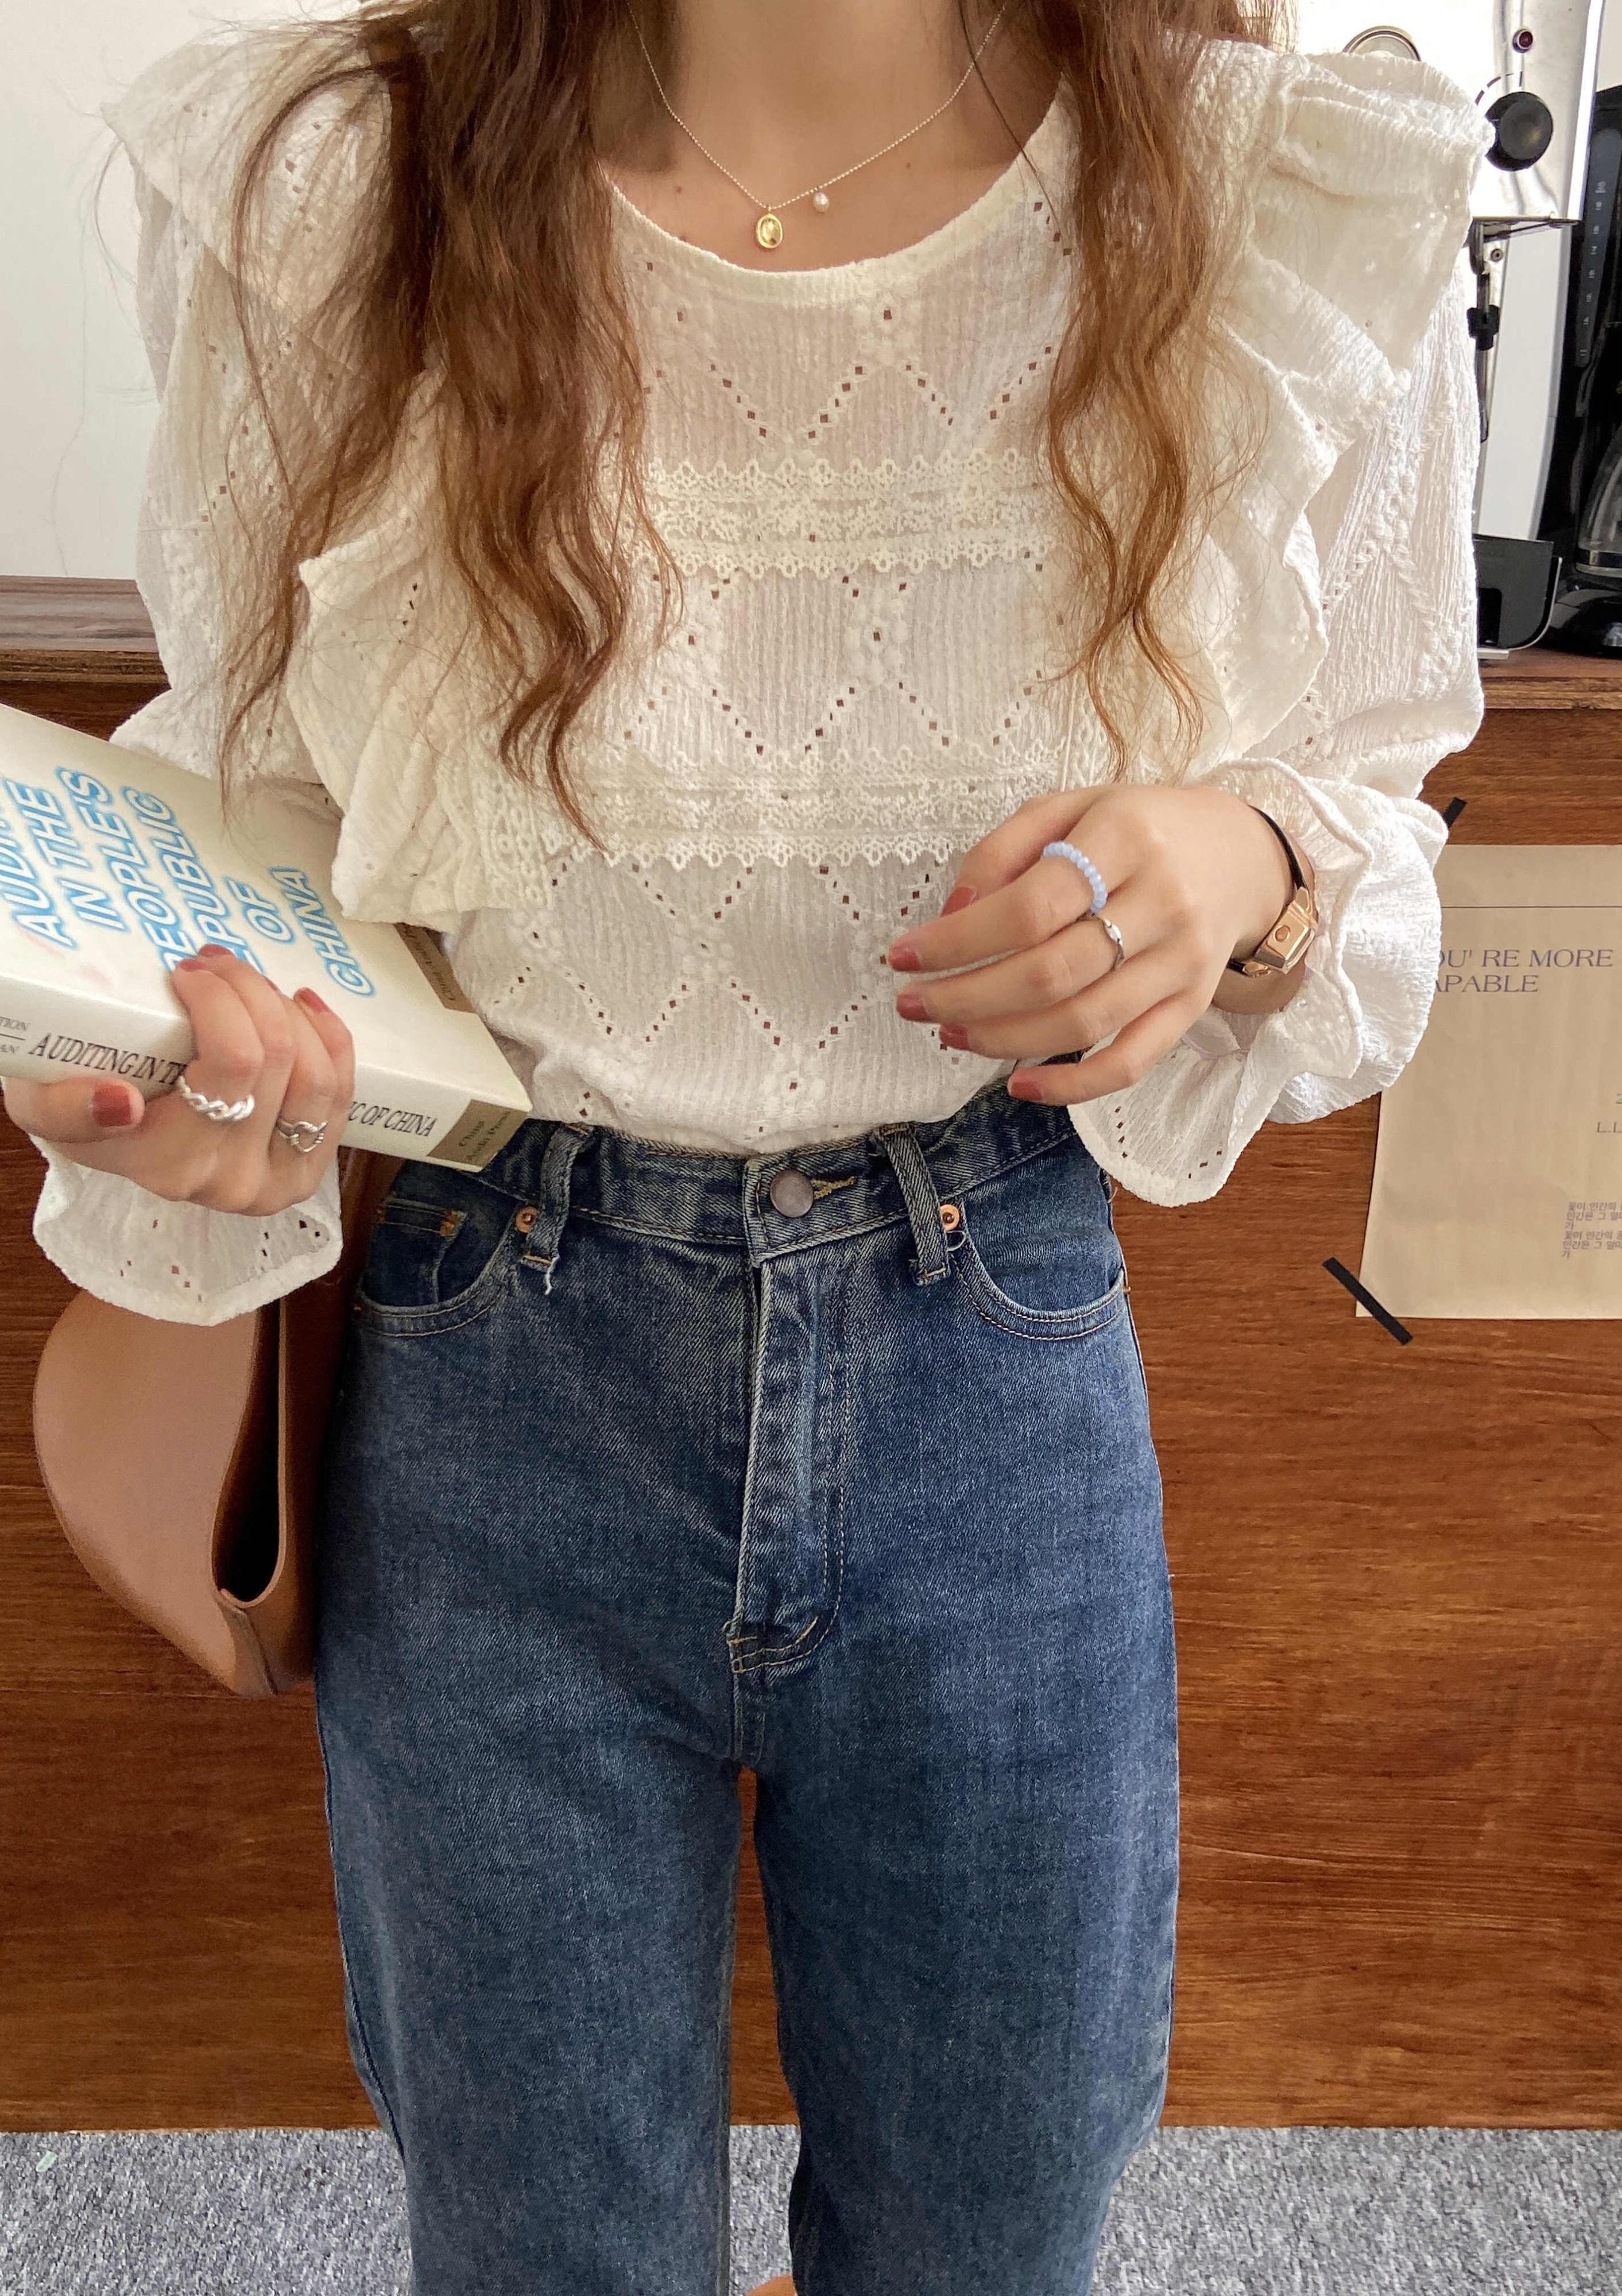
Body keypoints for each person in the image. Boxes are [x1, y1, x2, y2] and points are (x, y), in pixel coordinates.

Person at [4, 2, 1489, 2289]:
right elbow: (263, 817)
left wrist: (1245, 864)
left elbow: (1376, 798)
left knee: (994, 2229)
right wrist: (197, 1070)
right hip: (499, 1350)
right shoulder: (346, 185)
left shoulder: (1274, 193)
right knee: (539, 2242)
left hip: (991, 1342)